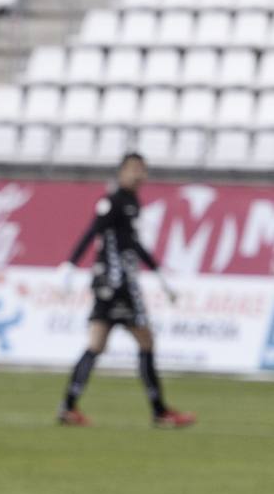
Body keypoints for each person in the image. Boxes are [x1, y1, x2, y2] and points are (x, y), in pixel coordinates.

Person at [57, 152, 195, 428]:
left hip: (110, 283)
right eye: (133, 169)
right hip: (117, 283)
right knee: (145, 341)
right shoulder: (114, 201)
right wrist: (71, 264)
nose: (138, 174)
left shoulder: (132, 202)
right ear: (121, 172)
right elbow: (92, 231)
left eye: (142, 170)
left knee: (96, 344)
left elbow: (132, 242)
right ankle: (159, 412)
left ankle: (68, 407)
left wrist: (159, 272)